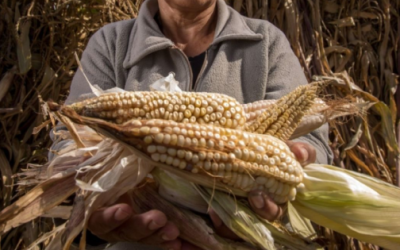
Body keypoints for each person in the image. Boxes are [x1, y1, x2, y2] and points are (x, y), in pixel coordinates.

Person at [64, 0, 333, 249]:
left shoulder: (266, 42)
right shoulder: (111, 43)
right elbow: (70, 145)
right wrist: (95, 207)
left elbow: (312, 145)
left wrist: (294, 171)